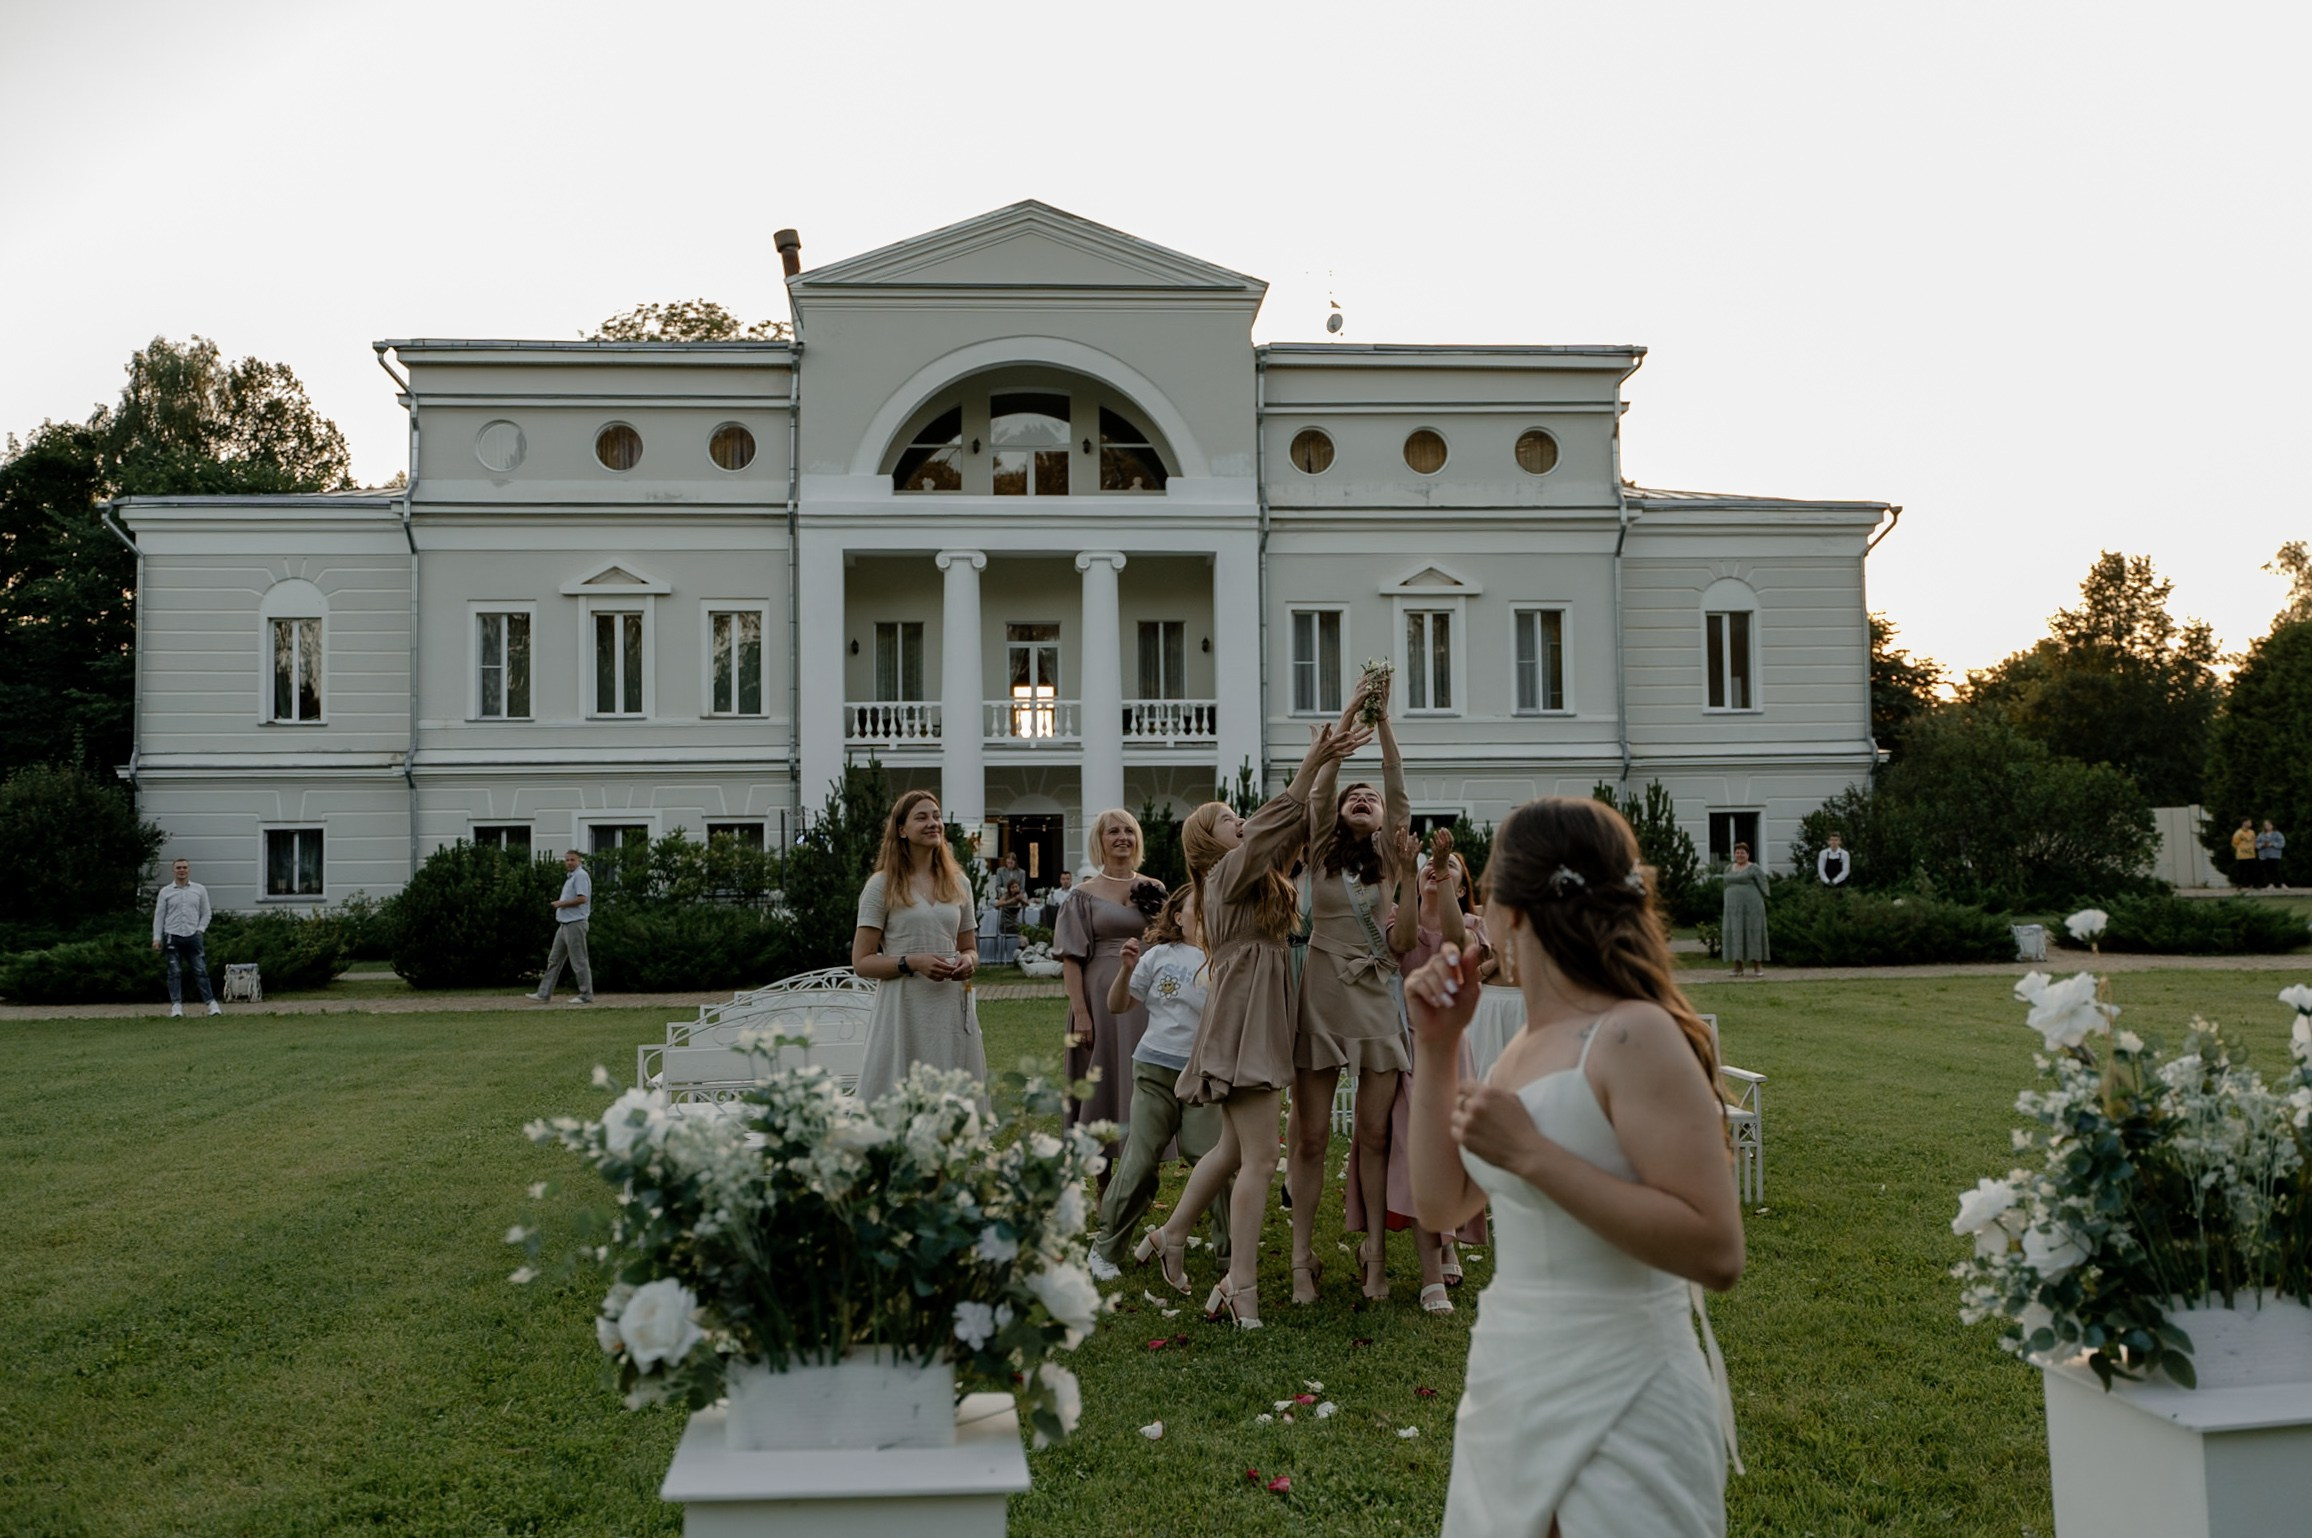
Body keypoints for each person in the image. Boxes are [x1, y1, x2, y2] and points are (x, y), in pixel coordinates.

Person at [1406, 796, 1744, 1536]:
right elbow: (1438, 1207)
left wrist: (1533, 1154)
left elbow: (1717, 1249)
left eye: (1484, 893)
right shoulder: (1520, 1047)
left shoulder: (1634, 1034)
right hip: (1514, 1372)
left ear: (1510, 911)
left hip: (1626, 1383)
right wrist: (1435, 1046)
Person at [1147, 695, 1375, 1329]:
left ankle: (1170, 1237)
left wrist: (1329, 757)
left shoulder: (1255, 873)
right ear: (1208, 842)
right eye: (1227, 818)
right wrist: (1314, 755)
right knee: (1259, 1158)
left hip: (1260, 1012)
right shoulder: (1223, 878)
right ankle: (1240, 1285)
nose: (1240, 820)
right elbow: (1283, 816)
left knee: (1230, 1150)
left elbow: (1304, 822)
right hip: (1245, 1018)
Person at [1288, 677, 1412, 1306]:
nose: (1363, 796)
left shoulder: (1393, 854)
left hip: (1375, 993)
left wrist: (1383, 719)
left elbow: (1392, 777)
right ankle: (1301, 1256)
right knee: (1310, 1135)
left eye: (1373, 797)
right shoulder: (1317, 851)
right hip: (1320, 990)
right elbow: (1323, 780)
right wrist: (1347, 715)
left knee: (1374, 1134)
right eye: (1353, 795)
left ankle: (1375, 1257)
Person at [1346, 826, 1489, 1313]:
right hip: (1402, 1046)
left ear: (1458, 884)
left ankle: (1446, 1242)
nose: (1436, 870)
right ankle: (1431, 1278)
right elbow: (1403, 941)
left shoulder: (1470, 920)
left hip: (1450, 1052)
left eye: (1448, 869)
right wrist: (1408, 875)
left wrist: (1443, 878)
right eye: (1432, 866)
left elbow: (1454, 940)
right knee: (1415, 1152)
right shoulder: (1396, 912)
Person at [1084, 887, 1229, 1281]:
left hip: (1203, 1075)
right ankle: (1105, 1248)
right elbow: (1118, 1005)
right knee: (1140, 1161)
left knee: (1212, 1159)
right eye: (1196, 909)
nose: (1205, 915)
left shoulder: (1226, 958)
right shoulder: (1159, 956)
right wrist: (1126, 969)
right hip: (1153, 1070)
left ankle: (1230, 1257)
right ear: (1177, 918)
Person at [854, 789, 984, 1104]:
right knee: (901, 1094)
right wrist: (911, 962)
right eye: (922, 817)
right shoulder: (881, 885)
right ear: (902, 830)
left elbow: (970, 948)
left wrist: (968, 961)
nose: (933, 823)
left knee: (950, 1096)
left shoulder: (959, 883)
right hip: (904, 1008)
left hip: (951, 1005)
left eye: (936, 816)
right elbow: (862, 961)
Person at [1058, 808, 1165, 1150]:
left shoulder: (1155, 887)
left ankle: (1142, 1171)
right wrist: (1081, 1013)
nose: (1123, 837)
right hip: (1099, 999)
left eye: (1129, 831)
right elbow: (1071, 960)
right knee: (1102, 1079)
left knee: (1147, 1076)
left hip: (1145, 996)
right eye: (1113, 831)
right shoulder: (1082, 894)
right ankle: (1103, 1182)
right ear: (1099, 842)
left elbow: (1168, 941)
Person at [150, 857, 220, 1018]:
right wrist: (156, 938)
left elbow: (206, 912)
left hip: (193, 936)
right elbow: (159, 916)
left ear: (189, 870)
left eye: (184, 867)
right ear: (173, 870)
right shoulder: (166, 892)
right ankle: (176, 1006)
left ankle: (211, 1004)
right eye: (179, 868)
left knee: (200, 970)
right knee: (174, 971)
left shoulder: (199, 889)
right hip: (172, 935)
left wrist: (200, 930)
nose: (182, 870)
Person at [534, 849, 594, 1004]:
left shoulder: (580, 876)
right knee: (554, 959)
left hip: (576, 922)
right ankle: (544, 993)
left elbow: (582, 899)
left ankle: (586, 994)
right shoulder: (571, 878)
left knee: (579, 960)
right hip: (564, 923)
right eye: (567, 860)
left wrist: (561, 904)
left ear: (579, 861)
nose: (569, 862)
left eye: (572, 860)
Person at [1720, 844, 1769, 979]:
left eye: (1742, 853)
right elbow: (1725, 885)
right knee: (1736, 934)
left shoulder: (1754, 868)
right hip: (1733, 909)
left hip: (1752, 908)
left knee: (1753, 932)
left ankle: (1757, 965)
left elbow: (1764, 885)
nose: (1739, 855)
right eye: (1737, 853)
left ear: (1748, 854)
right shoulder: (1729, 868)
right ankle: (1737, 966)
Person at [2233, 818, 2261, 890]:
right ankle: (2239, 884)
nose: (2250, 823)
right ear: (2244, 823)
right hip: (2242, 855)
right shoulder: (2238, 833)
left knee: (2253, 870)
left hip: (2251, 855)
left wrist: (2254, 848)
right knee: (2241, 871)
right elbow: (2234, 843)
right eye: (2249, 822)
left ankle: (2255, 885)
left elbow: (2254, 841)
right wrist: (2241, 849)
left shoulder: (2252, 832)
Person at [2259, 820, 2287, 890]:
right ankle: (2271, 884)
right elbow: (2256, 844)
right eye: (2265, 825)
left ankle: (2282, 884)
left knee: (2276, 869)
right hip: (2264, 855)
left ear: (2272, 825)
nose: (2267, 826)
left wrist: (2272, 844)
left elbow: (2282, 844)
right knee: (2268, 870)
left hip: (2275, 855)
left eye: (2269, 825)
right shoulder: (2261, 834)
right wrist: (2262, 845)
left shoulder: (2278, 834)